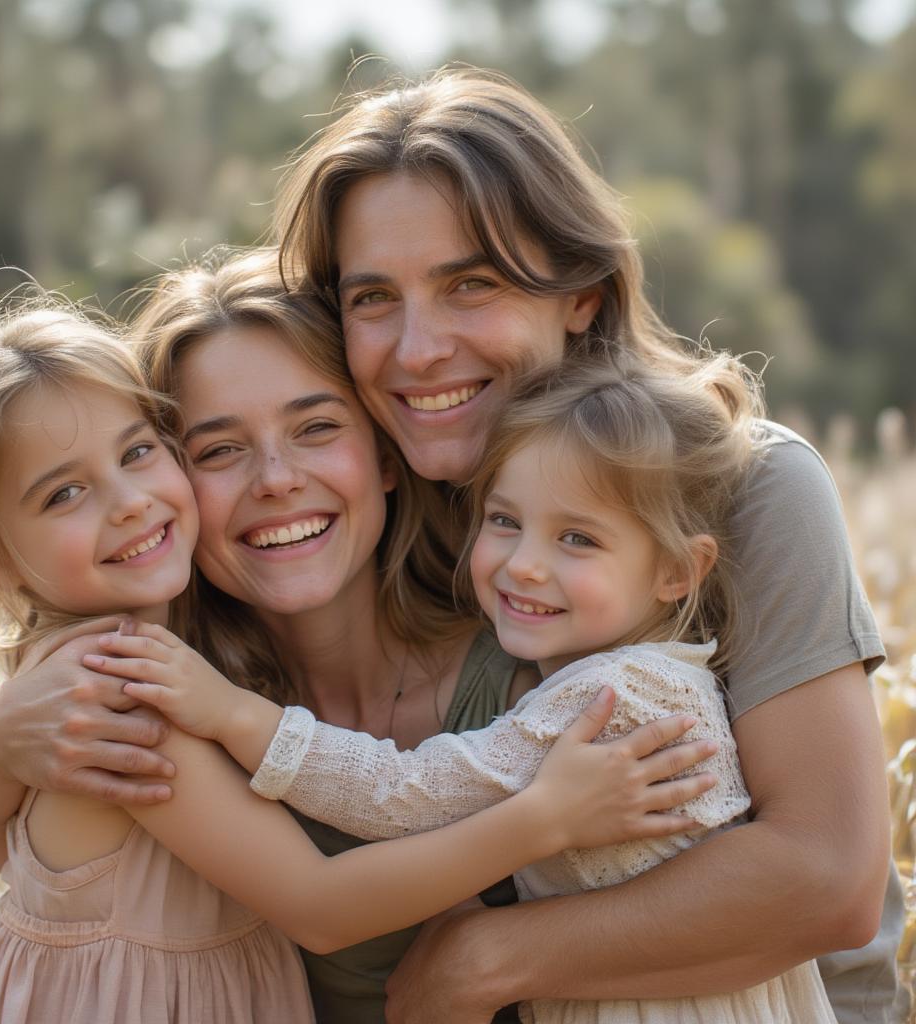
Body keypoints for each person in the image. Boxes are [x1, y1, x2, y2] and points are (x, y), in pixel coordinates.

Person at [269, 68, 900, 1024]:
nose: (418, 347)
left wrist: (486, 961)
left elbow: (826, 878)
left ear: (584, 294)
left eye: (469, 284)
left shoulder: (742, 485)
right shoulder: (361, 512)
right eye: (371, 299)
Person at [0, 261, 717, 1023]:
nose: (275, 479)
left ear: (383, 451)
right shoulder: (138, 685)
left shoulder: (539, 648)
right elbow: (317, 905)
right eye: (219, 449)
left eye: (315, 427)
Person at [84, 355, 842, 1021]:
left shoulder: (614, 699)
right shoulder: (639, 673)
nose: (526, 566)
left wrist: (235, 716)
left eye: (577, 538)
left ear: (678, 573)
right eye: (505, 521)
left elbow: (405, 794)